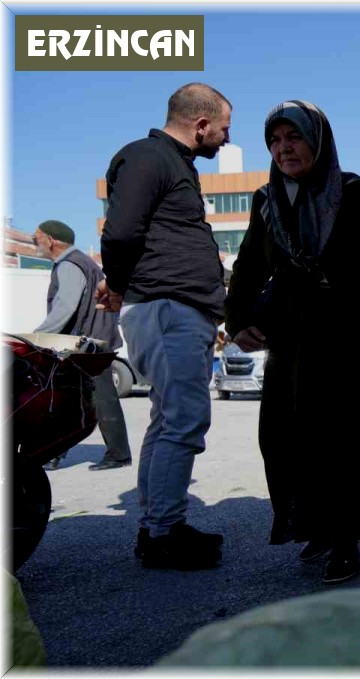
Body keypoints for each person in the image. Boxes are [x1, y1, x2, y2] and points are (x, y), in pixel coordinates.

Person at [224, 100, 360, 585]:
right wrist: (237, 319)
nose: (283, 148)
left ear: (317, 140)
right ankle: (315, 525)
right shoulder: (267, 200)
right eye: (275, 140)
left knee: (345, 442)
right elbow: (249, 266)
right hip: (293, 341)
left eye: (294, 137)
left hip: (352, 337)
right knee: (287, 439)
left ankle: (346, 539)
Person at [98, 82, 231, 571]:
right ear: (201, 124)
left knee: (168, 420)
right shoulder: (149, 157)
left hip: (174, 309)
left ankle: (158, 526)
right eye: (224, 128)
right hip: (168, 309)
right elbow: (120, 233)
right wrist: (117, 284)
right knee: (183, 421)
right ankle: (164, 534)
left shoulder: (172, 162)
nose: (226, 138)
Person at [33, 220, 132, 472]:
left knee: (99, 398)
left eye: (37, 238)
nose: (35, 243)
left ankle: (118, 454)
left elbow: (65, 306)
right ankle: (55, 452)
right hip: (90, 342)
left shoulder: (70, 264)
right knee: (70, 398)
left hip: (86, 346)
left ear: (50, 240)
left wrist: (38, 337)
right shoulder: (82, 262)